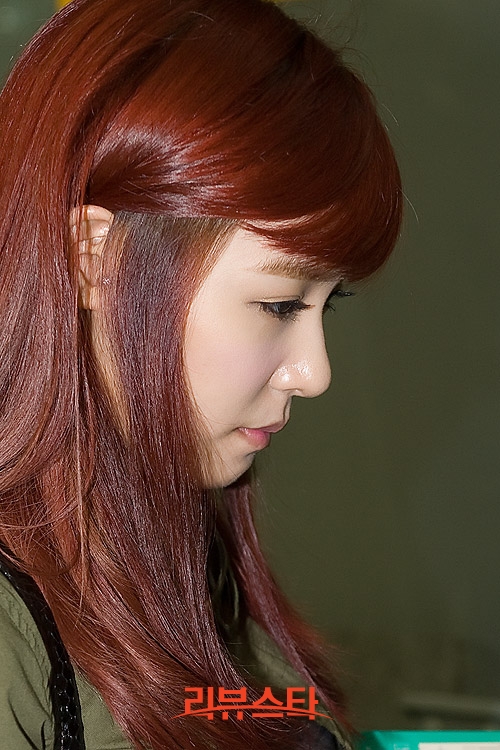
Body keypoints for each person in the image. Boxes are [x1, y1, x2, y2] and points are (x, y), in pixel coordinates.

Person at [0, 0, 402, 747]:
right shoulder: (19, 637)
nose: (314, 373)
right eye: (279, 304)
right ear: (95, 258)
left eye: (329, 304)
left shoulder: (191, 576)